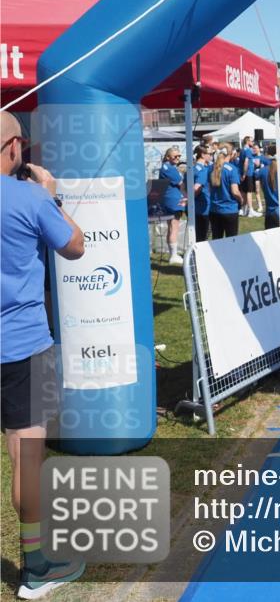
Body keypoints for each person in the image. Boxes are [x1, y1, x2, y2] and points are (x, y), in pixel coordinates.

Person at [1, 111, 87, 598]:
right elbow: (75, 246)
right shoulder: (31, 197)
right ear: (15, 148)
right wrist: (51, 194)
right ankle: (36, 568)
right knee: (26, 455)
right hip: (22, 345)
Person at [158, 147, 186, 265]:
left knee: (171, 227)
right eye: (175, 156)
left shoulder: (166, 167)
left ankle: (173, 254)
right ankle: (173, 255)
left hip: (168, 199)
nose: (178, 158)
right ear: (168, 156)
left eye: (179, 156)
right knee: (174, 227)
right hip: (174, 200)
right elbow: (181, 184)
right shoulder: (169, 168)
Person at [208, 146, 242, 239]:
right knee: (232, 241)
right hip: (229, 209)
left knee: (216, 240)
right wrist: (241, 200)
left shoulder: (211, 168)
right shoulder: (232, 169)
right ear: (231, 154)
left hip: (214, 209)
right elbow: (235, 191)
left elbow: (209, 189)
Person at [191, 145, 213, 242]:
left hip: (194, 208)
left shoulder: (191, 168)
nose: (211, 156)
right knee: (202, 237)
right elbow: (197, 188)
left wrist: (188, 200)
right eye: (210, 154)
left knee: (196, 234)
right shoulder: (203, 170)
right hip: (203, 207)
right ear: (203, 155)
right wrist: (190, 199)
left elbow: (183, 186)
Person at [238, 136, 260, 218]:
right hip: (248, 174)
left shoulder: (243, 150)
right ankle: (250, 210)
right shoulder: (247, 150)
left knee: (244, 192)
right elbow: (246, 162)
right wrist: (244, 173)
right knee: (249, 192)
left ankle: (244, 210)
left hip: (244, 174)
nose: (253, 142)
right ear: (247, 141)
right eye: (252, 141)